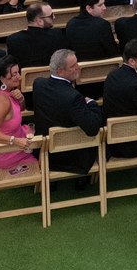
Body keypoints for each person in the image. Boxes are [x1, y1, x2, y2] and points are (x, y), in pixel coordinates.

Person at [31, 48, 104, 177]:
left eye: (77, 63)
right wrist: (92, 104)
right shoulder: (73, 98)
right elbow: (92, 128)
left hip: (44, 151)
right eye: (73, 66)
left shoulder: (38, 84)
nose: (78, 67)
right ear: (60, 71)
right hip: (71, 156)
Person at [0, 59, 39, 176]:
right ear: (2, 78)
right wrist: (15, 141)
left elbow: (19, 110)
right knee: (40, 160)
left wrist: (20, 100)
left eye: (18, 72)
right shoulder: (2, 102)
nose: (19, 77)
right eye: (14, 74)